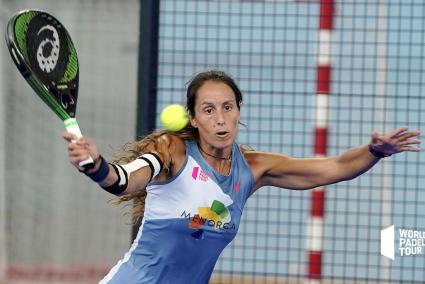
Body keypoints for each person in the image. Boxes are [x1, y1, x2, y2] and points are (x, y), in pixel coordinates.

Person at [63, 70, 420, 284]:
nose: (220, 119)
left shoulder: (253, 168)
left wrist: (375, 152)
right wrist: (96, 165)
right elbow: (124, 179)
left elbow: (335, 168)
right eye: (208, 109)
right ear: (193, 118)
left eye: (227, 107)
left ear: (238, 112)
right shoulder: (171, 150)